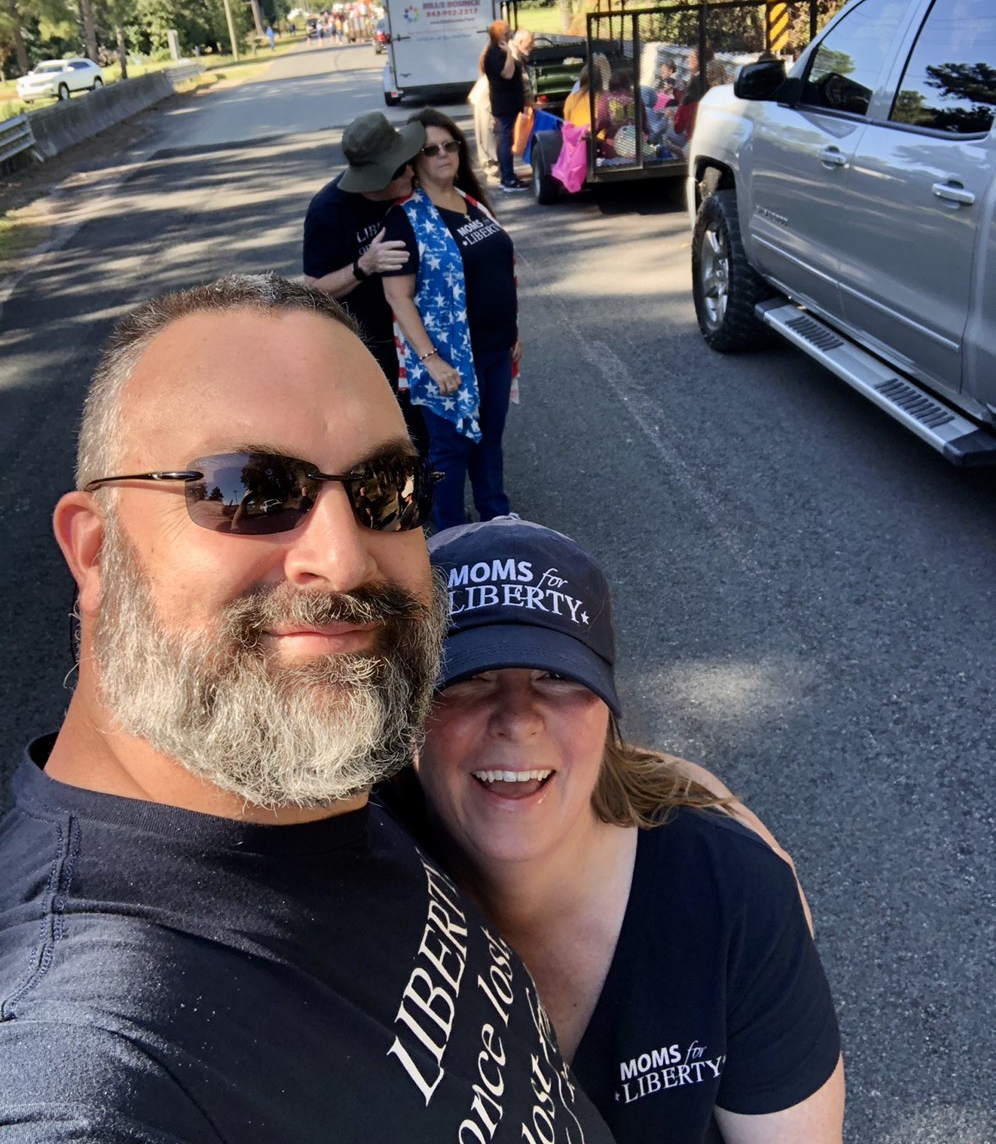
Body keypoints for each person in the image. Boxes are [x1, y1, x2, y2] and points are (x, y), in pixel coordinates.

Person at [0, 277, 615, 1144]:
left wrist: (660, 803)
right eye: (249, 489)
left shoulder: (305, 769)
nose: (344, 557)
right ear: (95, 551)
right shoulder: (89, 1057)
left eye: (387, 489)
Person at [400, 516, 847, 1144]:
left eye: (556, 676)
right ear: (405, 711)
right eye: (470, 677)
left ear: (606, 705)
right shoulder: (349, 880)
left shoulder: (731, 894)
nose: (518, 721)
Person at [381, 109, 520, 533]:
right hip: (447, 360)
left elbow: (498, 271)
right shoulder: (405, 219)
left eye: (449, 145)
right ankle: (451, 536)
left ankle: (495, 517)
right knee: (450, 449)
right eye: (430, 150)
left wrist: (514, 332)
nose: (443, 154)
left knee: (489, 438)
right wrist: (431, 359)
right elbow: (397, 296)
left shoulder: (471, 202)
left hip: (495, 349)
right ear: (414, 161)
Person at [303, 110, 427, 451]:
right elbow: (313, 289)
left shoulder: (412, 189)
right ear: (375, 180)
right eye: (400, 169)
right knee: (395, 434)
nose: (411, 171)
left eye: (408, 161)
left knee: (431, 428)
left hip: (419, 333)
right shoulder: (329, 211)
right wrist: (365, 265)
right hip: (372, 344)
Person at [483, 19, 529, 192]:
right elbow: (508, 74)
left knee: (504, 137)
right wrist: (509, 53)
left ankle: (507, 175)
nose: (510, 34)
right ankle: (508, 178)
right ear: (500, 35)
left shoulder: (495, 50)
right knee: (506, 138)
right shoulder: (496, 53)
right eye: (507, 32)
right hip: (505, 104)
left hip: (508, 102)